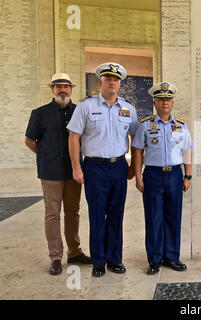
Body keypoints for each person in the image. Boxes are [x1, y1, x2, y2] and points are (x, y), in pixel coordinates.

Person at [67, 63, 138, 277]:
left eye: (116, 79)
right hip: (94, 167)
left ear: (120, 84)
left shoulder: (128, 109)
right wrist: (77, 167)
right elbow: (74, 137)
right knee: (97, 215)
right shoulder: (85, 107)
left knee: (116, 215)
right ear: (100, 82)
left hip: (118, 166)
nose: (112, 82)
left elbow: (136, 139)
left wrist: (134, 166)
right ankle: (99, 261)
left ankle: (115, 259)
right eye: (108, 79)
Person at [25, 73, 91, 275]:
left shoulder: (80, 111)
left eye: (66, 86)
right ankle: (55, 256)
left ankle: (74, 251)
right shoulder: (40, 113)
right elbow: (30, 141)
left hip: (74, 172)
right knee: (52, 214)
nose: (62, 90)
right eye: (58, 86)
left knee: (73, 212)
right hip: (50, 172)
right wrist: (46, 155)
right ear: (52, 89)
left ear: (71, 89)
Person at [132, 82, 193, 275]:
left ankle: (172, 257)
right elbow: (138, 151)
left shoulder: (181, 126)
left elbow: (187, 150)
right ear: (155, 102)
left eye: (168, 99)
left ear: (172, 102)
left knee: (173, 217)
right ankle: (155, 259)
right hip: (153, 175)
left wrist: (187, 175)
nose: (165, 103)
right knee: (153, 217)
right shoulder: (145, 125)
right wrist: (138, 176)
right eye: (161, 99)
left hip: (175, 174)